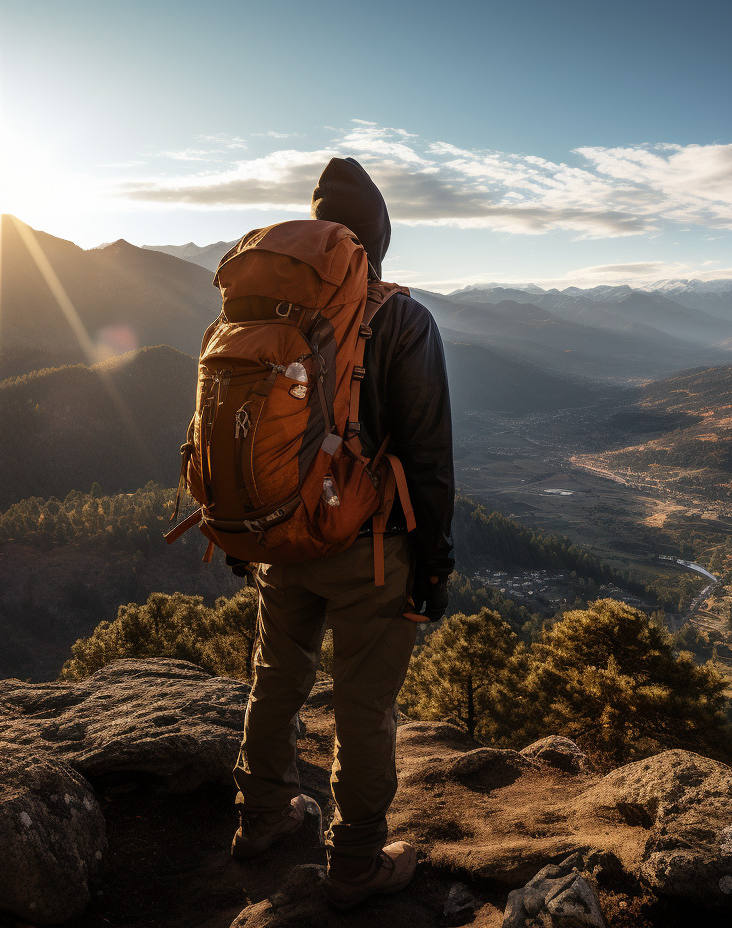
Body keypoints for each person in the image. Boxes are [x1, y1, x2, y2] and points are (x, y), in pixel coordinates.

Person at [229, 157, 455, 909]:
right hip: (370, 547)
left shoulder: (262, 311)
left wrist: (240, 529)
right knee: (364, 706)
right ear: (378, 240)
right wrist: (434, 564)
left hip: (277, 530)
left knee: (276, 677)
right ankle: (355, 861)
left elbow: (228, 428)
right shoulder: (402, 319)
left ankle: (260, 816)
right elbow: (426, 453)